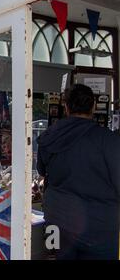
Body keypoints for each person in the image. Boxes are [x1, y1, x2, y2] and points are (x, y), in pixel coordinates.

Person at [37, 84, 120, 260]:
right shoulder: (108, 140)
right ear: (94, 106)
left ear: (66, 107)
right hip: (99, 227)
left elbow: (42, 171)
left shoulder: (48, 136)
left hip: (57, 224)